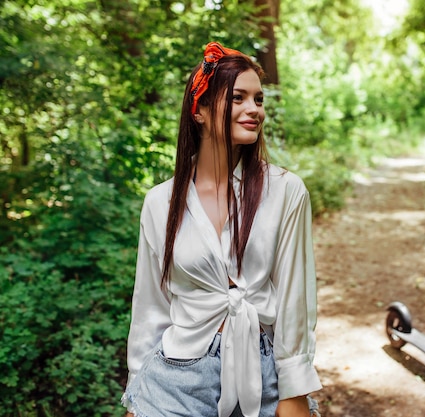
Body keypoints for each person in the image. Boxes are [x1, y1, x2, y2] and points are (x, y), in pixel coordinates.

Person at [121, 41, 322, 417]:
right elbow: (150, 306)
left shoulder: (285, 191)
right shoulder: (160, 202)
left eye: (259, 100)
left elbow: (297, 299)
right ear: (199, 110)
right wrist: (138, 390)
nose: (254, 110)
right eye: (238, 98)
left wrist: (294, 392)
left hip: (262, 376)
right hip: (175, 379)